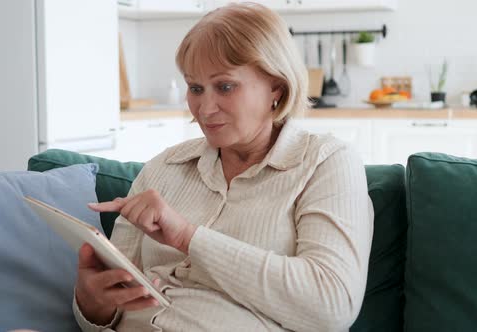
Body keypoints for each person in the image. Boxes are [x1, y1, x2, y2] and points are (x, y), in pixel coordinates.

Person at [73, 2, 373, 331]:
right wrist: (92, 303)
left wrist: (188, 238)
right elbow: (112, 308)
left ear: (276, 85)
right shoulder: (163, 168)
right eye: (195, 88)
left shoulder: (325, 163)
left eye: (225, 87)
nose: (205, 108)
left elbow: (332, 305)